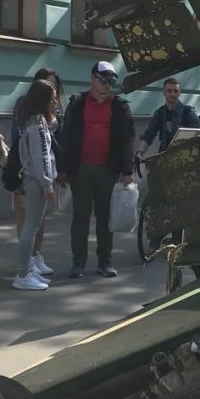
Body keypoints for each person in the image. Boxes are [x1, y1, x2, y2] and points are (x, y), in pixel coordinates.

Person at [58, 61, 135, 278]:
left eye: (111, 80)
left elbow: (128, 139)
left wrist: (127, 170)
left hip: (107, 171)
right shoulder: (78, 103)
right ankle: (78, 263)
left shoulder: (120, 106)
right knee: (80, 217)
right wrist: (62, 169)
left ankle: (105, 262)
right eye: (103, 80)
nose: (107, 84)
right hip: (81, 169)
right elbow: (67, 136)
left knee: (105, 218)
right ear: (93, 79)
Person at [10, 68, 64, 278]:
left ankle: (27, 270)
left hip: (35, 181)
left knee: (32, 228)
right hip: (35, 182)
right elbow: (41, 157)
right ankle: (23, 274)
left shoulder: (37, 122)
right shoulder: (37, 127)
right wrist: (47, 184)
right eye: (52, 98)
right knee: (30, 229)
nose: (55, 101)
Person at [135, 77, 200, 159]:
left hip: (185, 157)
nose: (172, 94)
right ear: (164, 92)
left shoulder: (188, 112)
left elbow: (197, 137)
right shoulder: (160, 113)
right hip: (164, 157)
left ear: (179, 93)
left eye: (175, 91)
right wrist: (139, 152)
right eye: (169, 91)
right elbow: (149, 134)